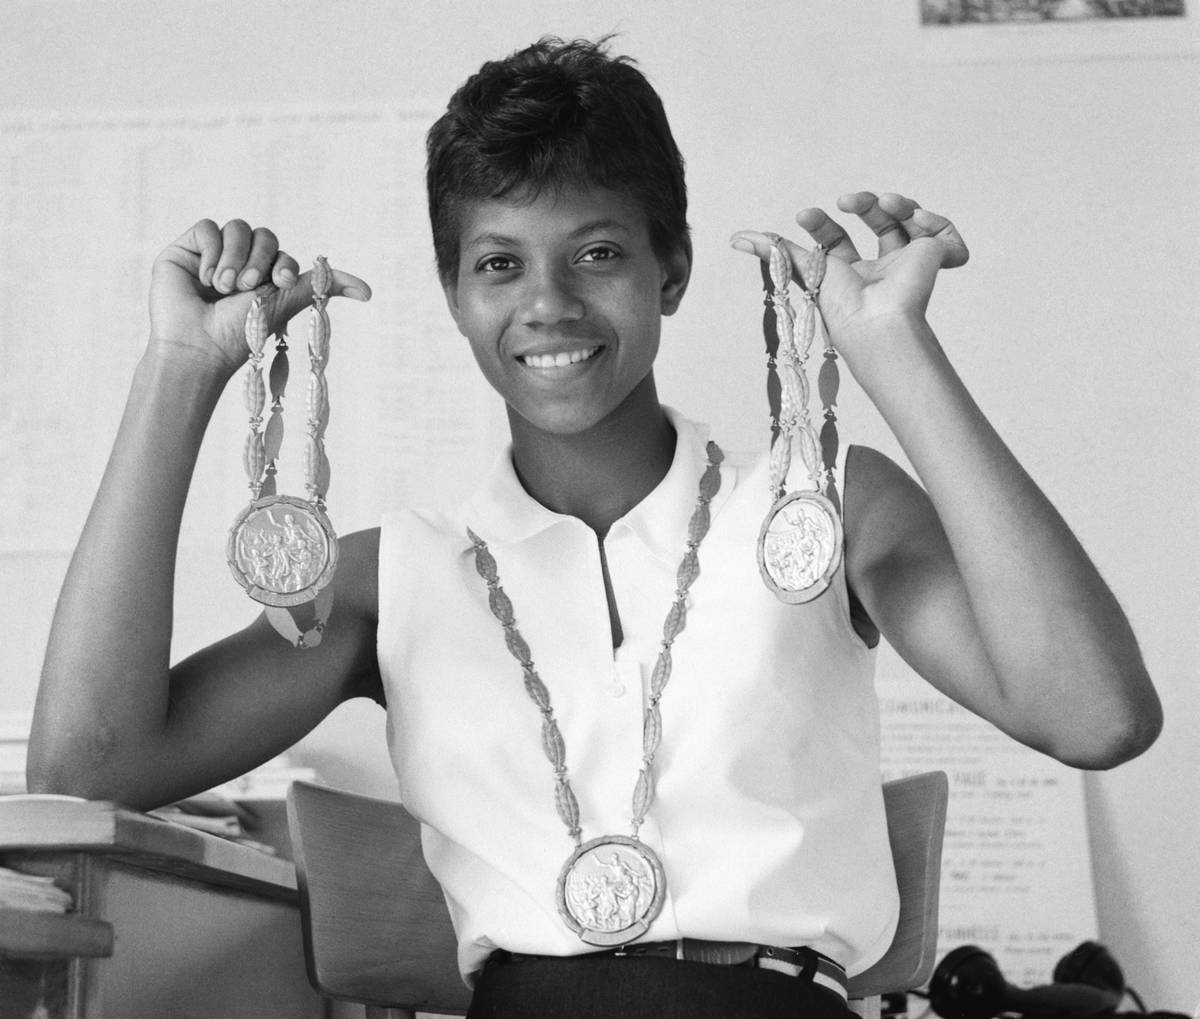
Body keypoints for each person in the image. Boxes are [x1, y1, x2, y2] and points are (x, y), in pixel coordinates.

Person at [29, 36, 1161, 1019]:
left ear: (671, 268)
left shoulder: (823, 504)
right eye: (499, 264)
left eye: (599, 253)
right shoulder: (397, 576)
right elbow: (91, 762)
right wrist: (180, 371)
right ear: (456, 291)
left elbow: (1097, 714)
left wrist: (894, 352)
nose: (550, 304)